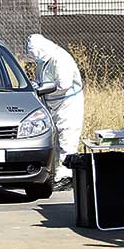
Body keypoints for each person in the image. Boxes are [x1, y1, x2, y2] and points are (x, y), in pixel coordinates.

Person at [25, 34, 83, 192]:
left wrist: (42, 88)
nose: (33, 57)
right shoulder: (44, 60)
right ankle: (57, 174)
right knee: (55, 140)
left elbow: (63, 85)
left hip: (67, 105)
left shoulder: (60, 58)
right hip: (52, 105)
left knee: (67, 139)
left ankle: (67, 177)